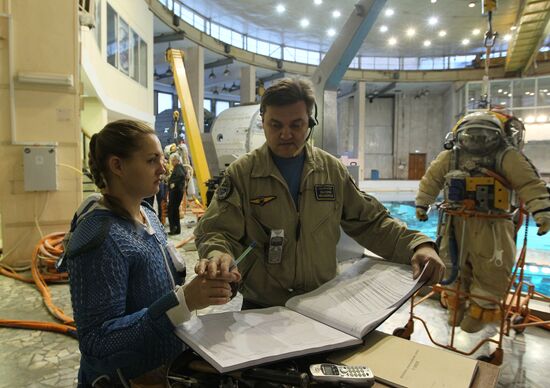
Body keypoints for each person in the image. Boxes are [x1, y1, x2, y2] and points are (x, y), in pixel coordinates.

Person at [193, 78, 445, 309]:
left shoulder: (331, 170)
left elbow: (371, 221)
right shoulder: (243, 174)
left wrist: (418, 245)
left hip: (322, 304)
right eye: (275, 125)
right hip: (263, 307)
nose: (286, 134)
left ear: (311, 123)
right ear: (263, 120)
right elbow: (216, 230)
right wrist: (218, 256)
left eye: (296, 124)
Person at [61, 120, 239, 386]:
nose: (164, 168)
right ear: (117, 166)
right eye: (152, 160)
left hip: (164, 369)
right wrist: (183, 302)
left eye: (163, 159)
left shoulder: (148, 215)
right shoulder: (101, 238)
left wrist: (210, 281)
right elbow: (96, 340)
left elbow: (161, 288)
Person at [415, 110, 550, 332]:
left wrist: (542, 212)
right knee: (451, 264)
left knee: (491, 270)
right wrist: (422, 203)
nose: (476, 141)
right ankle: (455, 306)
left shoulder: (506, 157)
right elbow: (432, 180)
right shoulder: (451, 157)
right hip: (455, 222)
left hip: (494, 225)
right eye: (471, 136)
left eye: (483, 136)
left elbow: (529, 184)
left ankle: (479, 313)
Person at [168, 152, 186, 235]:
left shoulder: (178, 167)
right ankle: (176, 229)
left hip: (176, 192)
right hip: (178, 192)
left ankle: (174, 228)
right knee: (174, 210)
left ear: (177, 160)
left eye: (173, 160)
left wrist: (173, 183)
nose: (172, 162)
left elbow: (181, 175)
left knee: (172, 210)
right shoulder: (180, 167)